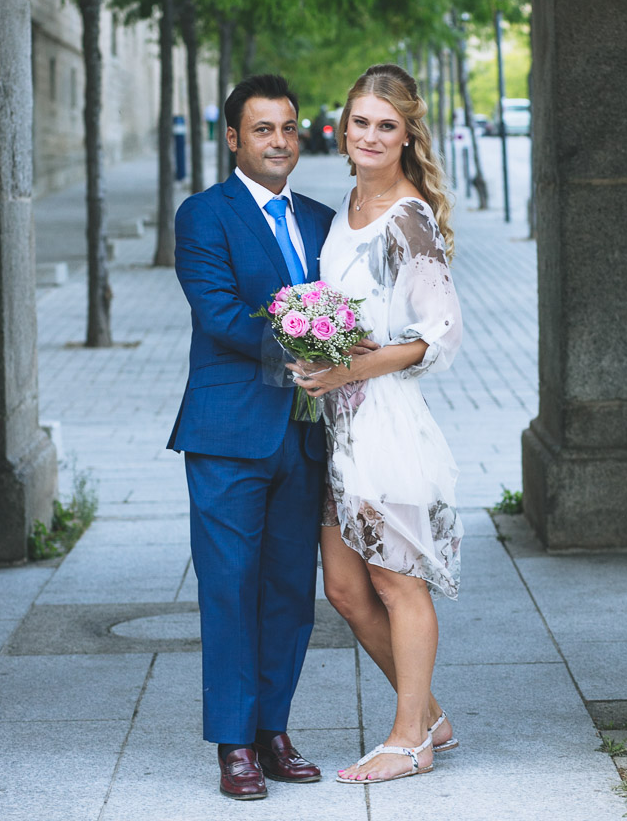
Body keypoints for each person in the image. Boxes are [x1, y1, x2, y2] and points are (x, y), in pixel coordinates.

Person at [288, 62, 463, 786]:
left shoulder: (408, 218)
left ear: (405, 135)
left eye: (385, 125)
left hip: (384, 422)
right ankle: (431, 715)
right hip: (338, 424)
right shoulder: (348, 206)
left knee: (396, 585)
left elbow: (441, 333)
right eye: (359, 121)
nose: (368, 135)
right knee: (346, 590)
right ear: (342, 125)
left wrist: (347, 370)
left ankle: (407, 739)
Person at [167, 73, 335, 801]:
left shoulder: (326, 220)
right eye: (263, 129)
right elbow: (220, 315)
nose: (279, 141)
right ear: (233, 138)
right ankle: (233, 744)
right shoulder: (205, 216)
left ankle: (274, 731)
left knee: (292, 592)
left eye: (289, 128)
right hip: (230, 431)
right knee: (231, 589)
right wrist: (312, 344)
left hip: (306, 434)